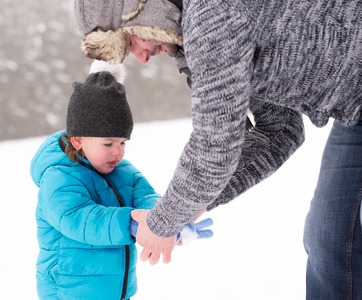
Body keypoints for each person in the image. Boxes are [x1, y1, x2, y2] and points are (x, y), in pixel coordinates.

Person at [73, 0, 362, 299]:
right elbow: (279, 131)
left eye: (132, 41)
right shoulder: (194, 42)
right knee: (332, 238)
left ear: (143, 12)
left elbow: (215, 144)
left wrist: (164, 221)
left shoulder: (212, 15)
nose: (143, 58)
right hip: (354, 114)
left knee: (335, 238)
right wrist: (193, 205)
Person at [29, 60, 161, 300]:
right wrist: (130, 222)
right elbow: (79, 219)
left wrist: (165, 219)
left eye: (123, 143)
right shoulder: (58, 177)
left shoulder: (124, 171)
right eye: (108, 143)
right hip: (70, 292)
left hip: (116, 290)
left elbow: (146, 197)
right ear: (78, 140)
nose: (118, 152)